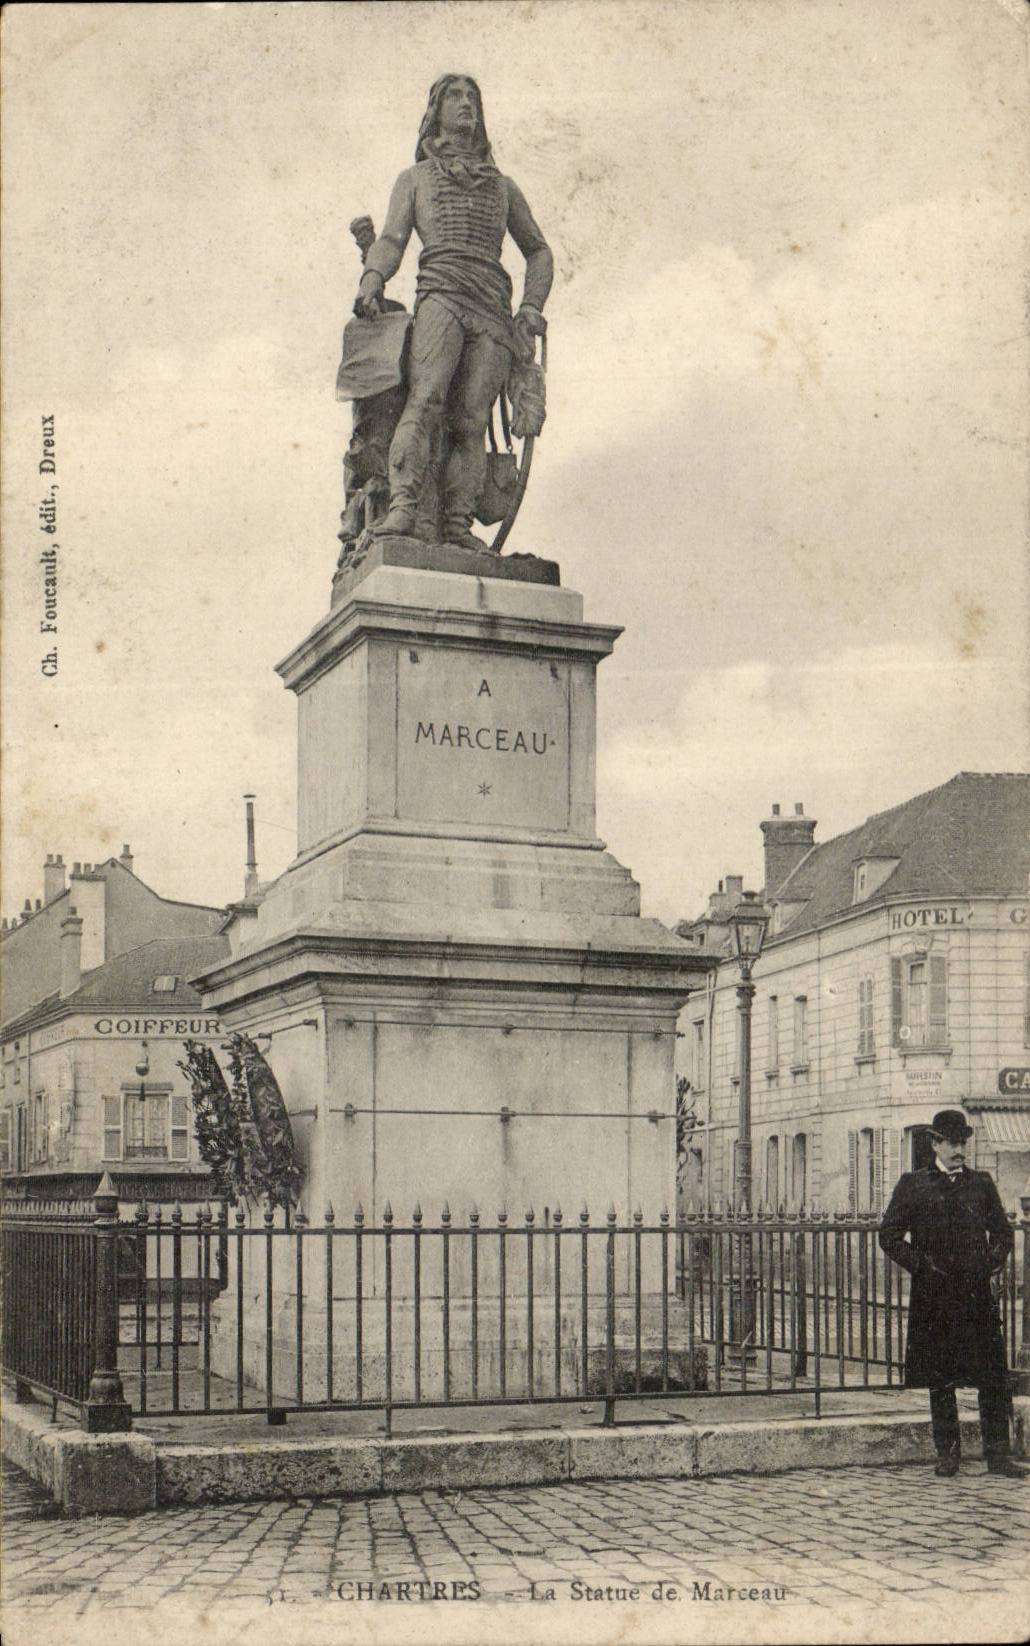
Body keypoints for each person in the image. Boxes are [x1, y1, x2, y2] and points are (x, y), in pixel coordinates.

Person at [353, 75, 552, 549]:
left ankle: (457, 526)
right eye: (455, 97)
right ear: (435, 112)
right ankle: (403, 508)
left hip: (492, 308)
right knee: (426, 400)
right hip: (441, 292)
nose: (466, 105)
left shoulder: (503, 187)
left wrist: (530, 308)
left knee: (471, 419)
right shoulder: (416, 179)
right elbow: (392, 239)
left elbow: (538, 251)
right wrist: (372, 279)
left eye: (473, 97)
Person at [879, 1109, 1027, 1478]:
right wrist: (923, 1267)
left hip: (976, 1296)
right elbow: (889, 1236)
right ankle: (948, 1454)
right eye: (952, 1142)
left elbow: (1004, 1234)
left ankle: (998, 1456)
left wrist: (990, 1263)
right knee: (940, 1377)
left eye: (964, 1142)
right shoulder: (913, 1185)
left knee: (992, 1377)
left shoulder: (981, 1183)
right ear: (935, 1144)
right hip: (935, 1297)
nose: (960, 1150)